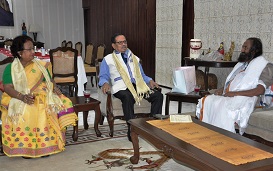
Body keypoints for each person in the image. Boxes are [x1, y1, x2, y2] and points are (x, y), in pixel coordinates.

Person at [0, 35, 78, 158]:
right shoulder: (10, 68)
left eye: (33, 48)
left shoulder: (40, 65)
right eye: (29, 49)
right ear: (20, 53)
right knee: (30, 108)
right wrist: (22, 97)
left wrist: (56, 89)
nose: (33, 52)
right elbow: (8, 88)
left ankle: (45, 144)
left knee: (48, 105)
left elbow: (49, 81)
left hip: (43, 93)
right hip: (17, 96)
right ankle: (26, 147)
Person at [196, 37, 273, 134]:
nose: (242, 50)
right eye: (242, 47)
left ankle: (223, 136)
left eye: (245, 47)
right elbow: (233, 83)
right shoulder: (242, 65)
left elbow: (260, 90)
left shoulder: (266, 67)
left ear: (255, 51)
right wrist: (222, 89)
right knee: (209, 100)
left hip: (251, 99)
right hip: (234, 95)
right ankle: (208, 133)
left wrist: (235, 94)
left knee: (223, 105)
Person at [99, 33, 163, 141]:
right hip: (120, 87)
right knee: (128, 97)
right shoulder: (108, 59)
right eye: (120, 43)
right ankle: (132, 130)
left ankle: (152, 127)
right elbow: (103, 76)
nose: (123, 44)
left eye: (125, 42)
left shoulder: (134, 58)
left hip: (138, 86)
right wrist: (105, 83)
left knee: (158, 96)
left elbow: (142, 75)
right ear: (114, 46)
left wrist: (150, 80)